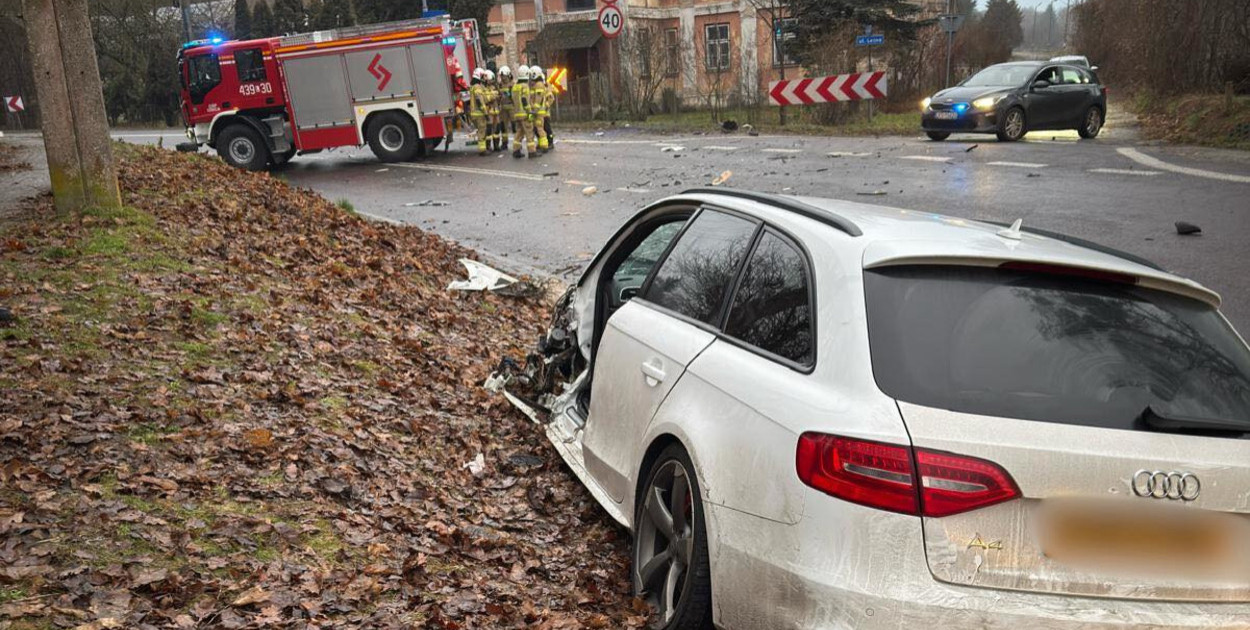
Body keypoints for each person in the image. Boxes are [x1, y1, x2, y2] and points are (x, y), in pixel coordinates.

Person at [511, 65, 536, 158]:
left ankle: (516, 150)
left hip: (516, 114)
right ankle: (532, 152)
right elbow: (525, 99)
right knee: (529, 132)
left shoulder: (515, 87)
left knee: (519, 132)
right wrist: (530, 112)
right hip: (525, 114)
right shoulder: (525, 86)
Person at [530, 65, 554, 152]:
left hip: (543, 112)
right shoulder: (534, 86)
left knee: (546, 129)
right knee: (536, 128)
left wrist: (547, 106)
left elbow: (550, 99)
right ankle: (542, 143)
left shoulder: (544, 88)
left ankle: (549, 143)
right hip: (537, 112)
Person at [468, 68, 490, 155]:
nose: (484, 78)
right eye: (483, 76)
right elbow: (479, 100)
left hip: (474, 113)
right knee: (482, 131)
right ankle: (482, 150)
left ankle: (482, 149)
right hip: (479, 113)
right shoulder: (477, 86)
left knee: (481, 130)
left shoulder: (473, 86)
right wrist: (485, 112)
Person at [496, 66, 514, 152]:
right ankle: (504, 143)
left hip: (512, 108)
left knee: (515, 126)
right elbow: (498, 96)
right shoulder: (500, 85)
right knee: (503, 127)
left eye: (504, 76)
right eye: (501, 76)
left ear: (508, 75)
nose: (502, 78)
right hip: (503, 109)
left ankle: (517, 143)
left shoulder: (512, 84)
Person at [483, 69, 502, 152]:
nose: (492, 81)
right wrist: (493, 96)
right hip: (489, 111)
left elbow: (499, 96)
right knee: (489, 130)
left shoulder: (495, 87)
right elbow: (485, 99)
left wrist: (498, 96)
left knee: (497, 129)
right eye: (491, 80)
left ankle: (496, 145)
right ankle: (488, 146)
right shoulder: (483, 89)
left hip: (496, 111)